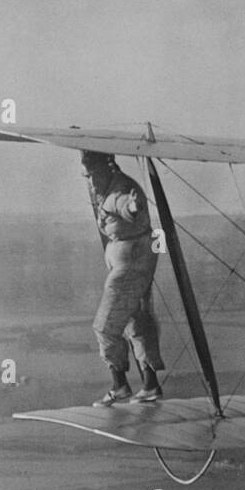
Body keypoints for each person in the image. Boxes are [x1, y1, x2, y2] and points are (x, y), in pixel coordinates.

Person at [82, 150, 165, 404]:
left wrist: (133, 206)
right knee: (135, 320)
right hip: (133, 261)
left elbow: (128, 207)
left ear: (107, 168)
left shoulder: (119, 192)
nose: (91, 181)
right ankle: (150, 385)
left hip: (130, 266)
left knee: (105, 326)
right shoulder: (110, 188)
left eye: (93, 174)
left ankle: (120, 385)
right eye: (87, 176)